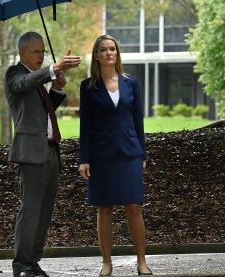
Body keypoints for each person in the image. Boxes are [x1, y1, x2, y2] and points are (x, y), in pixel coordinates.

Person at [5, 31, 81, 277]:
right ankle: (21, 265)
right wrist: (53, 69)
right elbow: (23, 84)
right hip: (30, 154)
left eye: (43, 52)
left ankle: (33, 261)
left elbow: (43, 111)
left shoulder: (37, 81)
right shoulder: (15, 74)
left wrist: (56, 90)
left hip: (50, 150)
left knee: (45, 212)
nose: (40, 56)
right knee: (31, 210)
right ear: (22, 53)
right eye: (36, 52)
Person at [78, 34, 152, 276]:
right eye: (104, 50)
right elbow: (85, 127)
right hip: (101, 155)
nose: (109, 53)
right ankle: (107, 263)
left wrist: (142, 154)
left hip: (130, 153)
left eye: (113, 49)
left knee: (134, 206)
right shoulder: (88, 87)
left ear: (117, 54)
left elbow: (138, 120)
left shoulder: (131, 83)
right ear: (97, 56)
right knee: (105, 208)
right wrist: (84, 159)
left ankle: (142, 261)